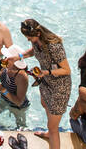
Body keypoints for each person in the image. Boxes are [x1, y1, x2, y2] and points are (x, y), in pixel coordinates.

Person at [19, 18, 72, 149]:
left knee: (53, 128)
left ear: (37, 34)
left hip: (60, 88)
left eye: (29, 38)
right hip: (46, 82)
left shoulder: (54, 46)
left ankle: (52, 132)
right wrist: (20, 56)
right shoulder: (37, 42)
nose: (28, 40)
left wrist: (46, 72)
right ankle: (50, 132)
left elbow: (66, 70)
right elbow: (33, 51)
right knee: (44, 104)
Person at [0, 45, 31, 128]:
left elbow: (19, 102)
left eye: (7, 57)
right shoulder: (7, 66)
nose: (4, 59)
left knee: (21, 125)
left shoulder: (21, 76)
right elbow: (2, 77)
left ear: (14, 61)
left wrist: (1, 89)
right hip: (5, 97)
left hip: (17, 107)